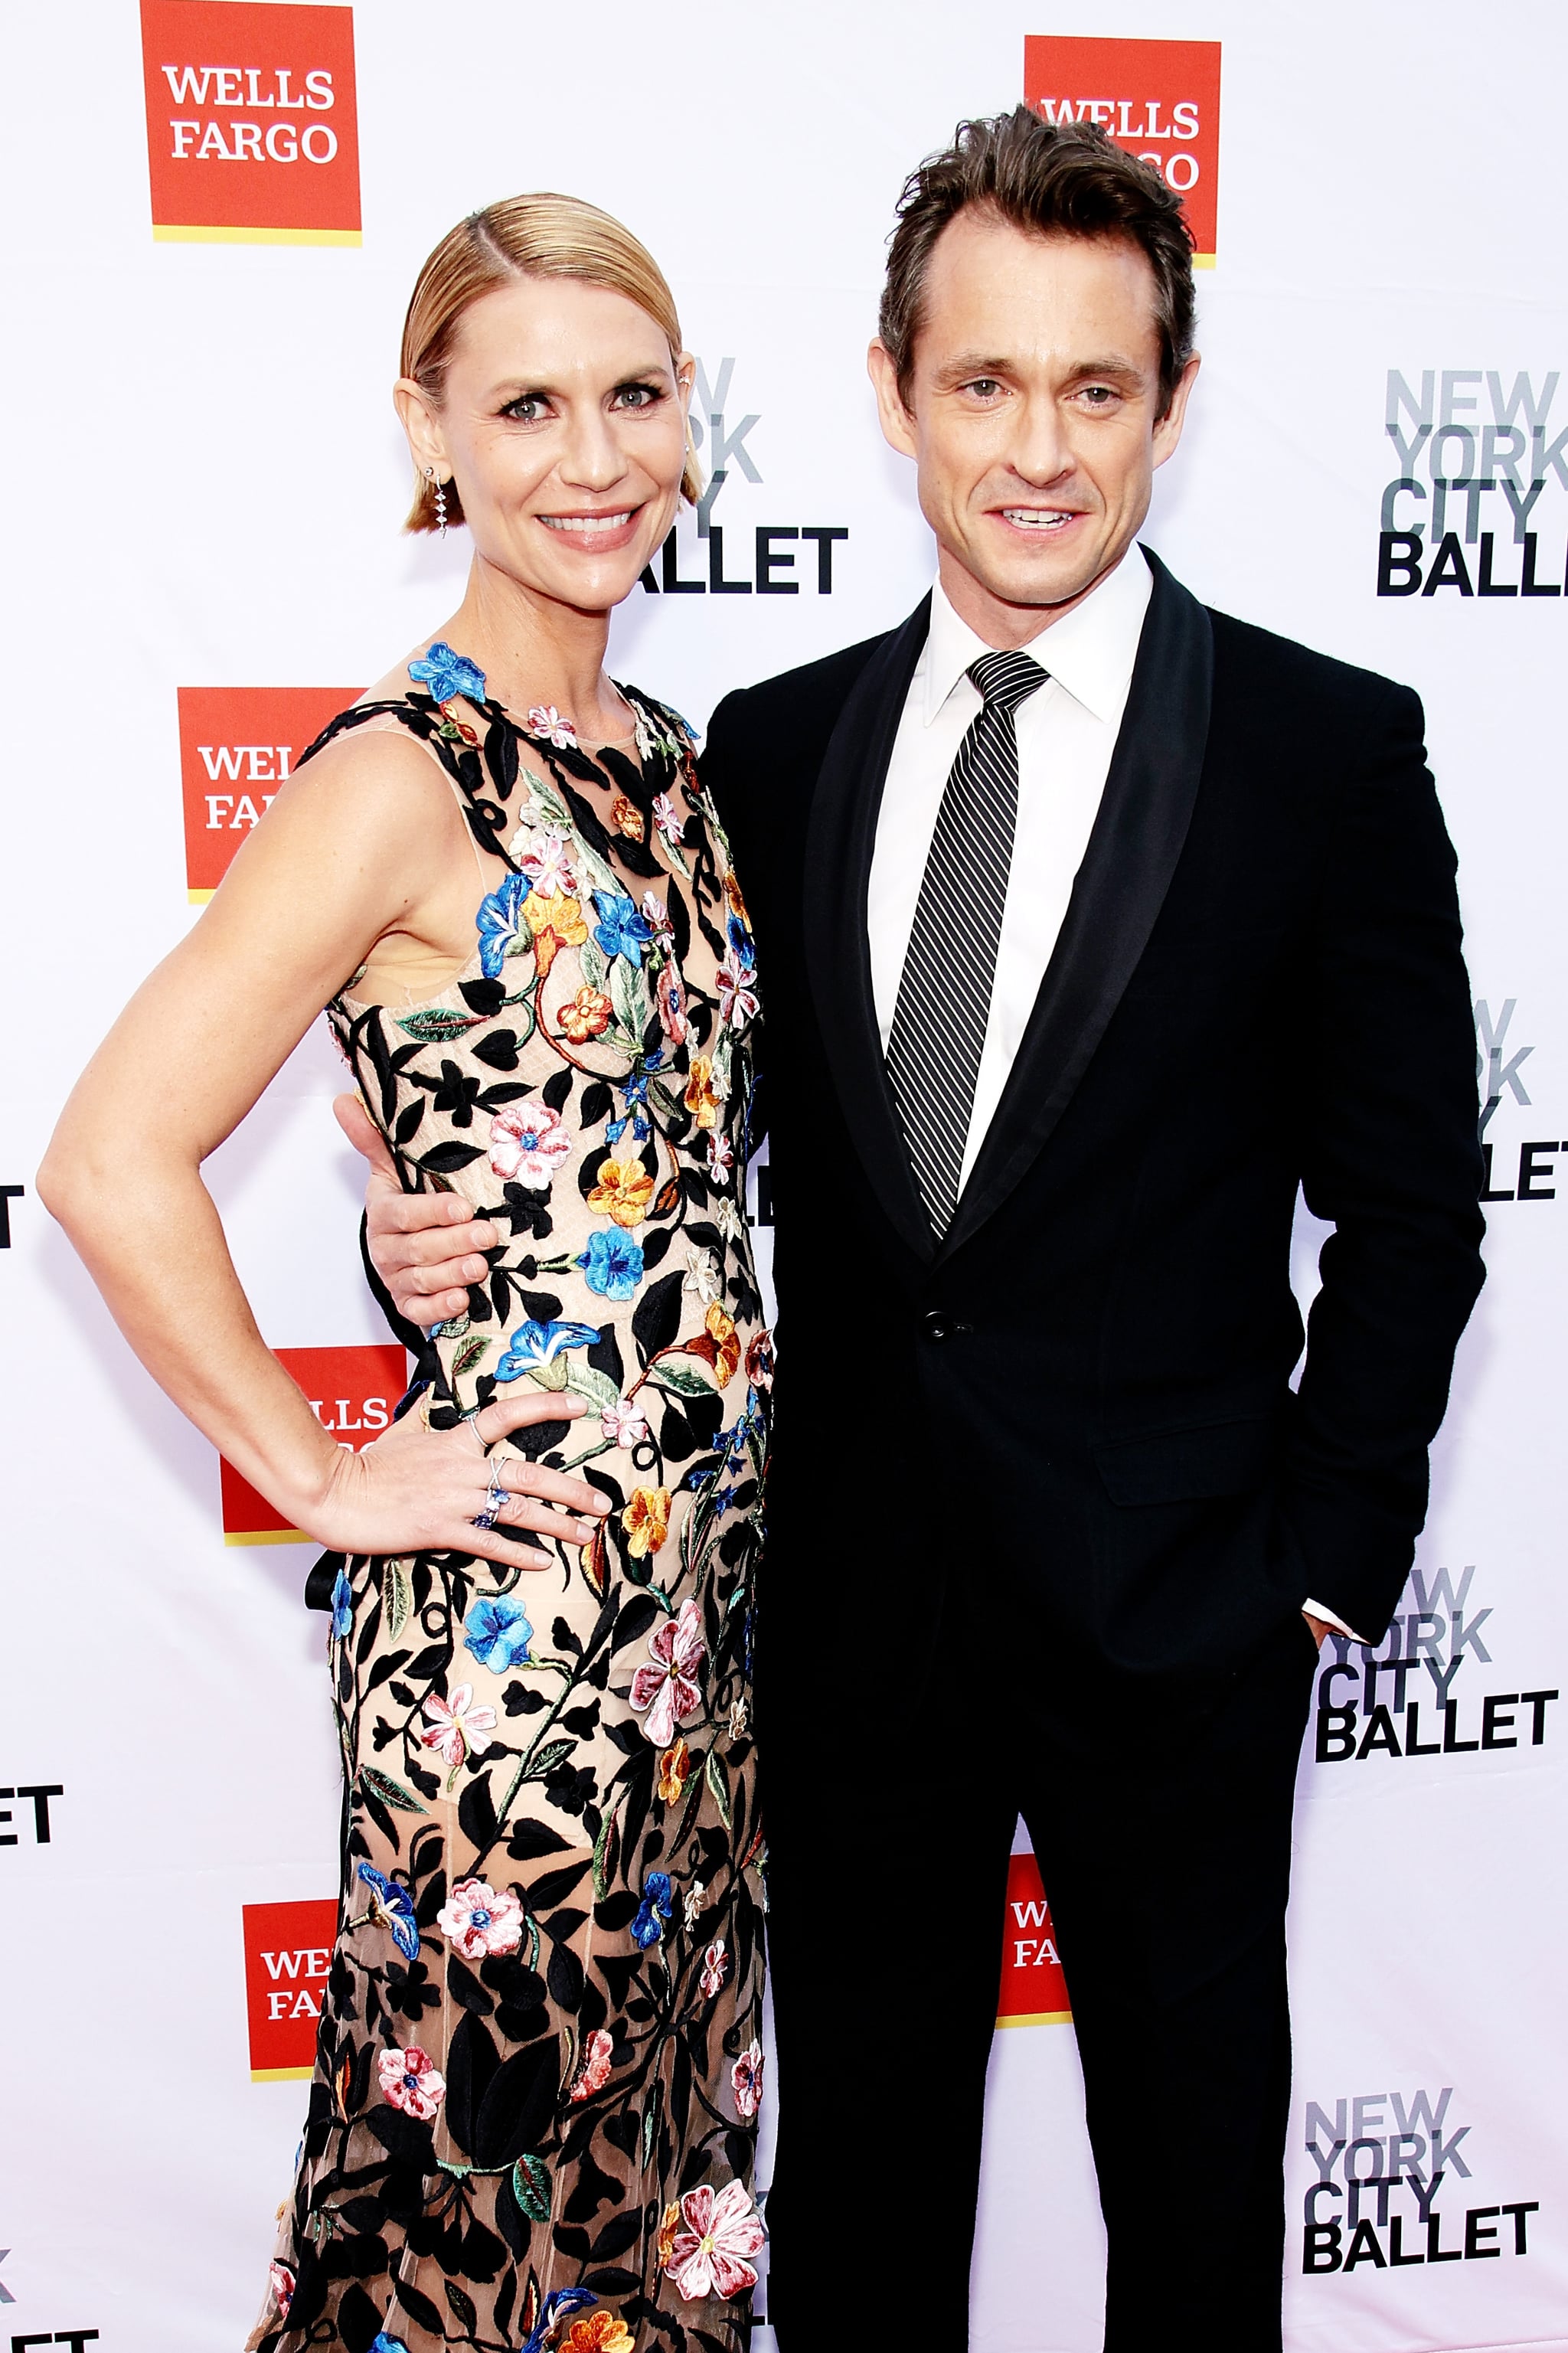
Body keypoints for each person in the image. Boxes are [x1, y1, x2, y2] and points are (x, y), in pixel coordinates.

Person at [366, 115, 1486, 2351]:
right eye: (984, 384)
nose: (1039, 448)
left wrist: (1318, 1559)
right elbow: (658, 1109)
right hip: (849, 1601)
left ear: (1171, 402)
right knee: (867, 2196)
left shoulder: (1323, 749)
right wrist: (456, 1212)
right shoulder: (760, 756)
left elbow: (1417, 1202)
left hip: (1187, 1613)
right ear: (892, 392)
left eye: (1094, 388)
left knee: (1190, 2185)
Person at [39, 196, 773, 2353]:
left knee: (651, 2199)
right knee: (476, 2197)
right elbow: (109, 1155)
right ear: (429, 429)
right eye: (527, 402)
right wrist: (324, 1468)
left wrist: (411, 1219)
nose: (593, 455)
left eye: (633, 395)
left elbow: (619, 1166)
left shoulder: (667, 761)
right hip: (523, 1657)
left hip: (701, 1644)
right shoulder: (396, 773)